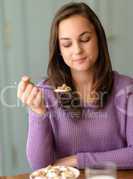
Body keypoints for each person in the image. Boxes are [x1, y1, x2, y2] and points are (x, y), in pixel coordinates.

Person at [17, 2, 133, 170]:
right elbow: (40, 167)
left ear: (99, 39)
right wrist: (37, 112)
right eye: (67, 44)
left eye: (85, 39)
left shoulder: (126, 90)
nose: (77, 50)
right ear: (59, 50)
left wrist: (77, 161)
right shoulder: (46, 93)